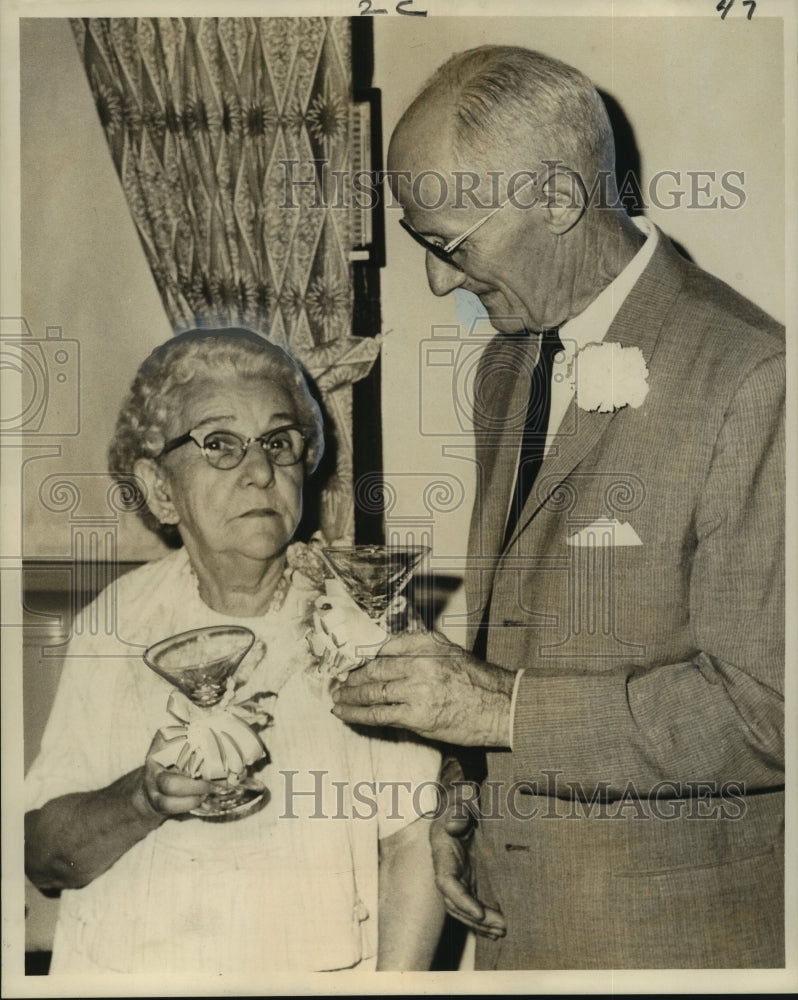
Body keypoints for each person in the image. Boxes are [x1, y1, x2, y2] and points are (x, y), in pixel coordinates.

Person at [330, 46, 785, 968]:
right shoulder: (507, 361)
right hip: (510, 919)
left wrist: (502, 717)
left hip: (672, 941)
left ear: (559, 201)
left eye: (449, 245)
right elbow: (515, 643)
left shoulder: (754, 376)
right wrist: (465, 792)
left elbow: (769, 711)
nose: (440, 285)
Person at [25, 327, 444, 975]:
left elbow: (414, 847)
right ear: (161, 489)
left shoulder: (367, 617)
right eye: (219, 443)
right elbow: (44, 856)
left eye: (279, 442)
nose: (259, 469)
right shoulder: (114, 623)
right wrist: (143, 799)